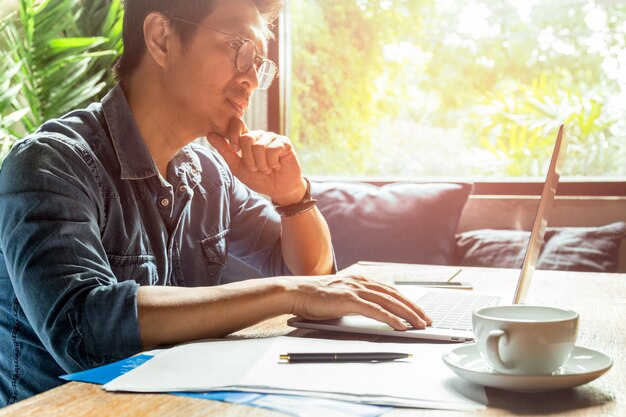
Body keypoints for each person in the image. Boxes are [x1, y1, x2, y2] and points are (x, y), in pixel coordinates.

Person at [0, 0, 431, 406]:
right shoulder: (50, 163)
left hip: (174, 404)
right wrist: (290, 295)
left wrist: (292, 198)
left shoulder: (208, 171)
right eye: (238, 49)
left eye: (259, 63)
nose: (250, 78)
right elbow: (84, 332)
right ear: (161, 39)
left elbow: (312, 277)